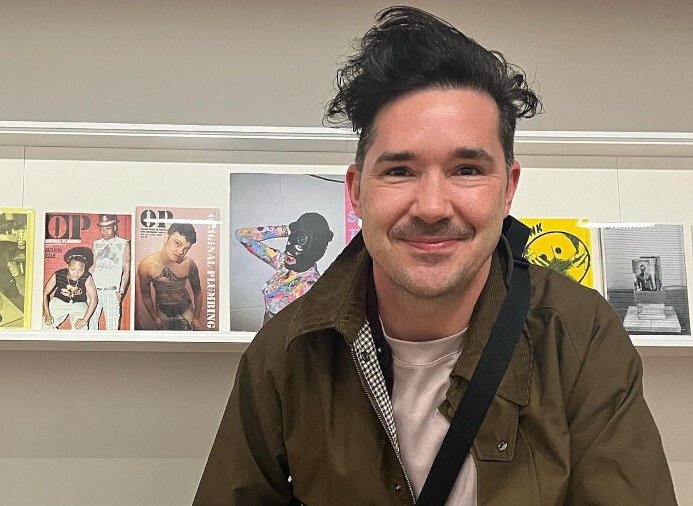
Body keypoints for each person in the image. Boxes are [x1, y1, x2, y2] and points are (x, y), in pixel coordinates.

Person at [195, 6, 675, 505]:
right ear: (357, 192)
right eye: (400, 171)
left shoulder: (578, 337)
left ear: (507, 188)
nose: (430, 207)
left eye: (467, 170)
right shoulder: (287, 351)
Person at [235, 212, 334, 323]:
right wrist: (288, 230)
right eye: (290, 242)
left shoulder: (310, 286)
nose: (289, 250)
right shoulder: (282, 262)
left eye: (299, 247)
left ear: (314, 252)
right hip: (265, 336)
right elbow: (242, 235)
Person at [137, 223, 203, 330]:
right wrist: (155, 317)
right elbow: (146, 296)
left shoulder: (189, 264)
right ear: (166, 238)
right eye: (177, 243)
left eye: (186, 248)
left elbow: (198, 292)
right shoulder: (146, 265)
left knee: (191, 338)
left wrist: (196, 318)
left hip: (185, 306)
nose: (181, 252)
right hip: (162, 308)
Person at [90, 214, 130, 330]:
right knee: (91, 325)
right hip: (95, 291)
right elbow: (92, 267)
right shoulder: (96, 244)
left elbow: (126, 270)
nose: (104, 232)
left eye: (108, 228)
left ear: (115, 227)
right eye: (102, 229)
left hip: (112, 291)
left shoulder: (123, 243)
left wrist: (121, 291)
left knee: (112, 328)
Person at [43, 247, 98, 330]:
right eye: (73, 269)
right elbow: (45, 293)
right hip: (59, 302)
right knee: (45, 325)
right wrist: (47, 314)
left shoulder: (87, 277)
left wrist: (84, 320)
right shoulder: (58, 274)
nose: (76, 273)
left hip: (79, 304)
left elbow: (94, 299)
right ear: (67, 266)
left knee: (81, 330)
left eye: (80, 270)